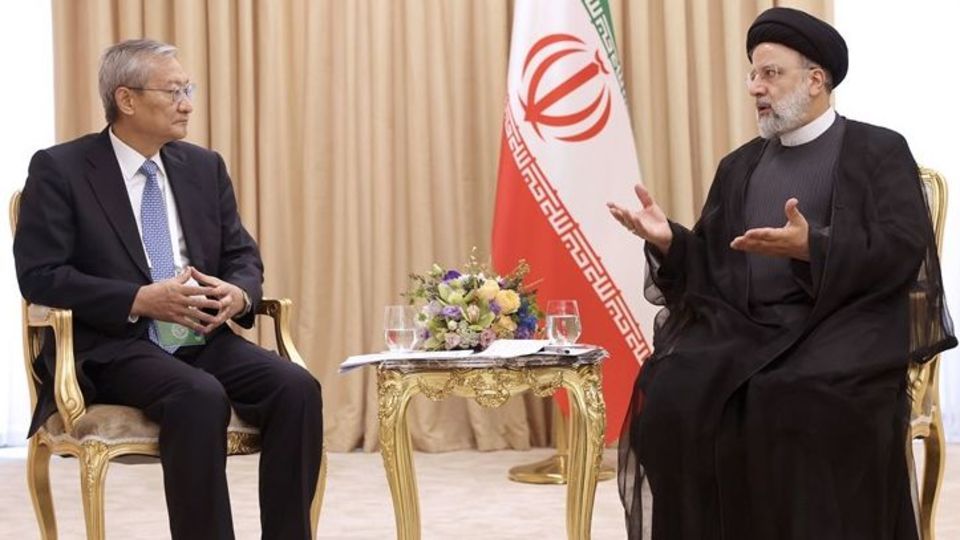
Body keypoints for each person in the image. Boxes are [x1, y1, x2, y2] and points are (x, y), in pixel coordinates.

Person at [608, 7, 955, 540]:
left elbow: (903, 249)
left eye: (770, 73)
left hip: (840, 331)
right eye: (753, 74)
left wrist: (814, 246)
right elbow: (714, 263)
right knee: (672, 393)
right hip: (748, 332)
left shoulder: (880, 150)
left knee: (793, 399)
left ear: (816, 80)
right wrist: (671, 241)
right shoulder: (739, 165)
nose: (755, 87)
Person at [13, 39, 322, 540]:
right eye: (174, 91)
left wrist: (238, 294)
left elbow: (242, 255)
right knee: (198, 395)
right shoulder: (61, 169)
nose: (187, 104)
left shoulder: (203, 167)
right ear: (126, 99)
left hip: (201, 337)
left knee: (297, 387)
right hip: (114, 345)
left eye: (188, 90)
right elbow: (41, 275)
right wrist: (138, 299)